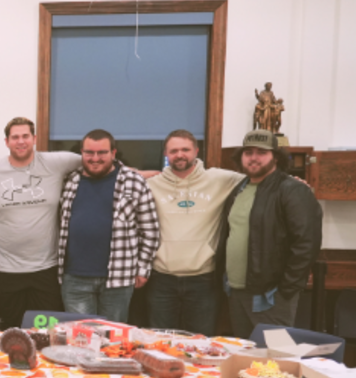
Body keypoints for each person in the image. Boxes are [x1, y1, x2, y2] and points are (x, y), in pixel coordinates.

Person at [0, 117, 81, 330]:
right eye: (15, 137)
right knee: (13, 331)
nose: (20, 141)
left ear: (34, 139)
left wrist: (140, 175)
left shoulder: (56, 163)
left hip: (45, 269)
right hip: (4, 270)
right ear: (7, 141)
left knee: (46, 333)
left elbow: (97, 162)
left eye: (25, 136)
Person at [221, 130, 322, 337]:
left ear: (275, 157)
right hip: (237, 292)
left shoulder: (292, 190)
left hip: (271, 296)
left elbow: (306, 243)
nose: (254, 158)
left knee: (273, 360)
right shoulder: (239, 189)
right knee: (245, 356)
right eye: (248, 152)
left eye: (261, 152)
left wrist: (286, 289)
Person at [146, 129, 245, 335]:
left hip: (203, 281)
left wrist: (292, 181)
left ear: (196, 151)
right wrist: (141, 172)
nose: (180, 154)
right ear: (166, 154)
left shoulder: (220, 179)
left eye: (185, 149)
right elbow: (118, 173)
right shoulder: (151, 185)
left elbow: (259, 178)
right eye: (173, 151)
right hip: (161, 280)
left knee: (201, 343)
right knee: (159, 343)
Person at [57, 130, 160, 323]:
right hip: (74, 278)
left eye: (102, 152)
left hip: (119, 277)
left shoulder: (134, 182)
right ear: (82, 153)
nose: (95, 158)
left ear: (113, 153)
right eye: (89, 152)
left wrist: (143, 269)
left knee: (113, 340)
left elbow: (150, 231)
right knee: (80, 341)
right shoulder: (69, 181)